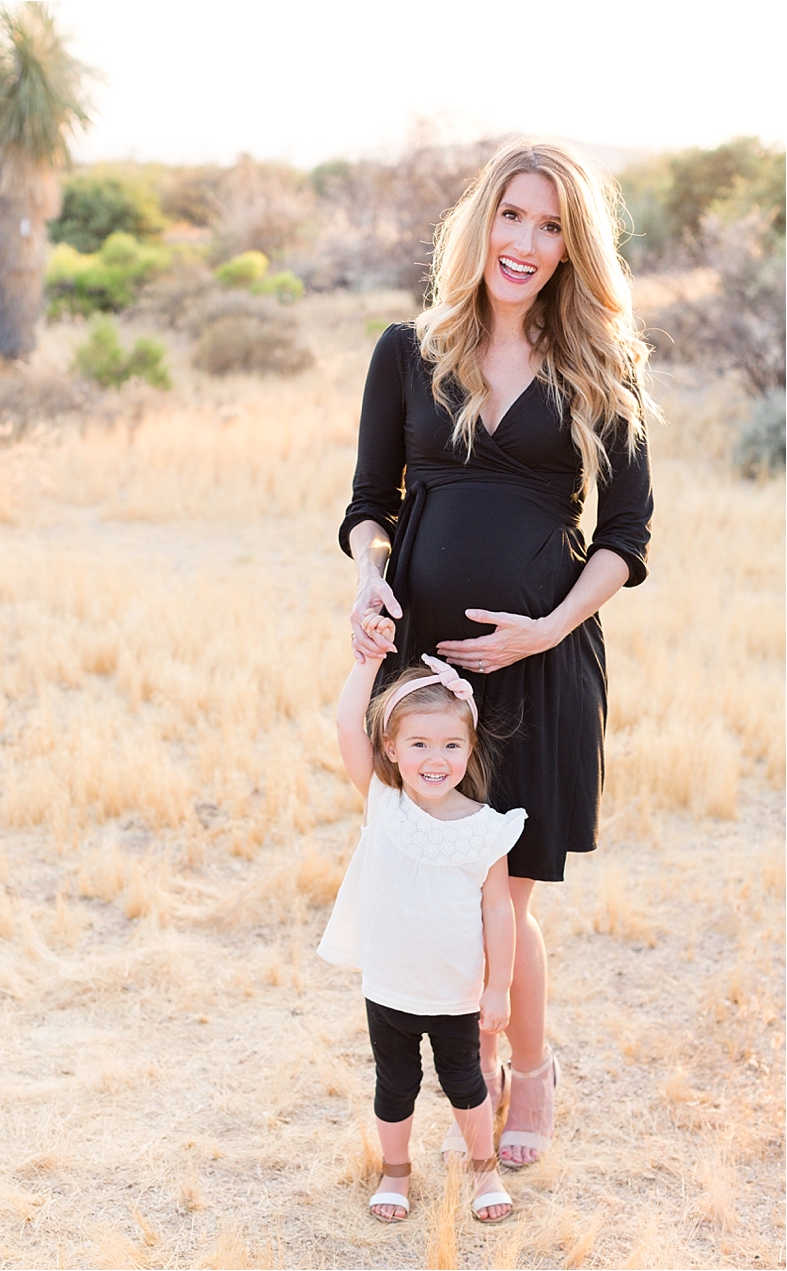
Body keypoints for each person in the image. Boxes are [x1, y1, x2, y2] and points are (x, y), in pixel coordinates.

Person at [341, 138, 655, 1169]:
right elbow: (366, 507)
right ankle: (463, 1059)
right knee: (433, 885)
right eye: (512, 217)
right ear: (481, 224)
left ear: (571, 247)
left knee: (500, 891)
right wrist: (370, 578)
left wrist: (544, 627)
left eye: (551, 225)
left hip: (537, 667)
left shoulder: (599, 365)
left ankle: (526, 1072)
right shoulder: (405, 350)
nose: (524, 242)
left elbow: (623, 538)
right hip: (422, 678)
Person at [319, 623, 523, 1223]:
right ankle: (396, 1172)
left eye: (451, 746)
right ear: (390, 748)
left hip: (455, 990)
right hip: (389, 984)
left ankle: (483, 1174)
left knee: (466, 1082)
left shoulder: (486, 829)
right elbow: (343, 725)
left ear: (469, 747)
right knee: (395, 1084)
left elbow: (498, 910)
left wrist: (497, 985)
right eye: (419, 746)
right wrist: (368, 661)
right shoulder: (383, 803)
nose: (436, 760)